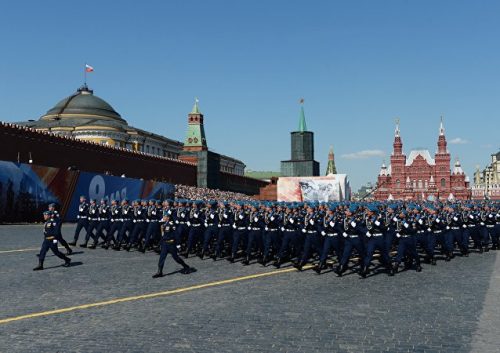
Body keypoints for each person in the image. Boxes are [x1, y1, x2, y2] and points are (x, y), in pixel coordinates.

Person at [152, 214, 195, 278]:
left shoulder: (172, 225)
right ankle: (159, 272)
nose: (163, 217)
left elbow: (176, 235)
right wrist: (160, 244)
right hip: (165, 244)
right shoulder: (163, 225)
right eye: (163, 216)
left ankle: (186, 266)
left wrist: (178, 245)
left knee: (176, 258)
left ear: (168, 218)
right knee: (161, 258)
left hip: (171, 244)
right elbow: (163, 236)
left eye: (164, 216)